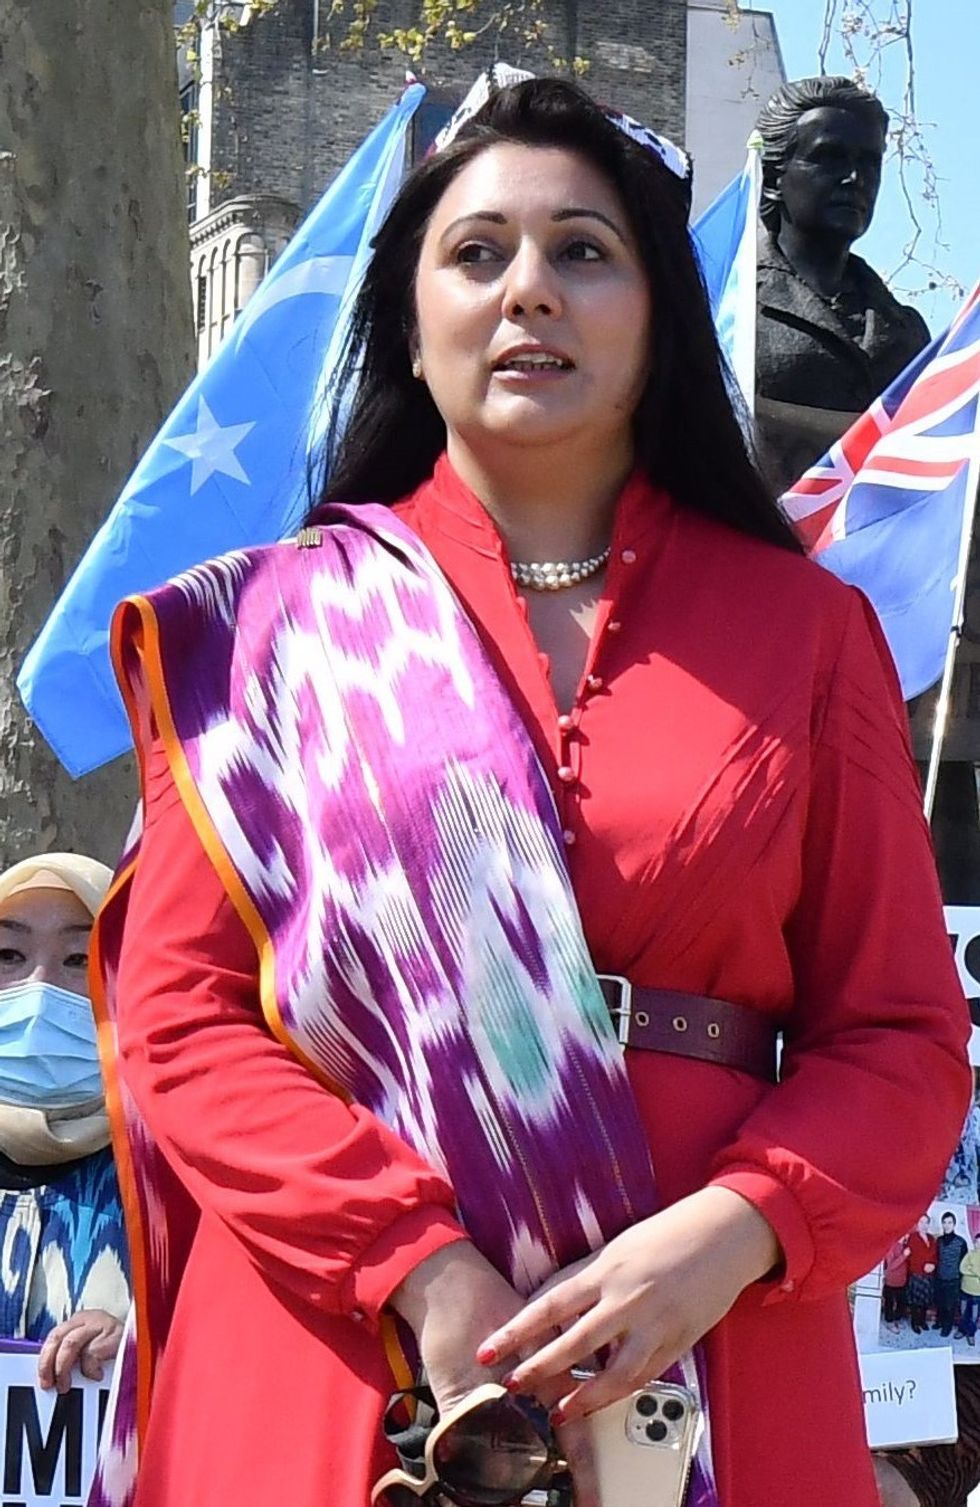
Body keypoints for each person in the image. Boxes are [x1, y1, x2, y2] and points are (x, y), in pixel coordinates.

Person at [93, 78, 969, 1507]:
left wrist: (740, 1228)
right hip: (344, 1342)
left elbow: (902, 1037)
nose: (529, 293)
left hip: (716, 1357)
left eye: (583, 250)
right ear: (410, 316)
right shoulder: (261, 632)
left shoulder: (809, 633)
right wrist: (416, 1264)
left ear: (658, 313)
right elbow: (178, 1014)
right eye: (478, 252)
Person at [753, 75, 929, 495]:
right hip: (760, 543)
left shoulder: (907, 331)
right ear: (776, 177)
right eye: (828, 157)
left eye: (870, 162)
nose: (855, 178)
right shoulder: (727, 304)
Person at [0, 853, 129, 1393]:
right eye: (8, 953)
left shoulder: (171, 1171)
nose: (39, 987)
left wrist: (139, 1344)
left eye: (79, 959)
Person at [935, 1213, 969, 1337]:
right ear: (942, 1224)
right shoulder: (938, 1240)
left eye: (949, 1222)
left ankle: (947, 1327)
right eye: (944, 1222)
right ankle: (939, 1322)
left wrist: (959, 1279)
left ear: (954, 1224)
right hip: (939, 1277)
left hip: (953, 1279)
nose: (947, 1225)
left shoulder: (961, 1242)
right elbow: (937, 1258)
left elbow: (964, 1262)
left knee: (950, 1305)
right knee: (940, 1303)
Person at [907, 1215, 939, 1334]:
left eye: (926, 1223)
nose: (924, 1225)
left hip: (929, 1275)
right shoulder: (912, 1237)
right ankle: (915, 1323)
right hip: (917, 1275)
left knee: (926, 1301)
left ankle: (922, 1321)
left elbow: (935, 1256)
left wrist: (933, 1265)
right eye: (921, 1222)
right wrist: (923, 1266)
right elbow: (911, 1258)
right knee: (916, 1302)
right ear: (917, 1224)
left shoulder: (931, 1239)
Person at [883, 1236, 912, 1330]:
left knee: (901, 1303)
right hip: (891, 1281)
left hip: (902, 1281)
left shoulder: (905, 1245)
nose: (906, 1235)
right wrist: (904, 1255)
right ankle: (889, 1322)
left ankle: (897, 1320)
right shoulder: (891, 1246)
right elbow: (891, 1266)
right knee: (889, 1303)